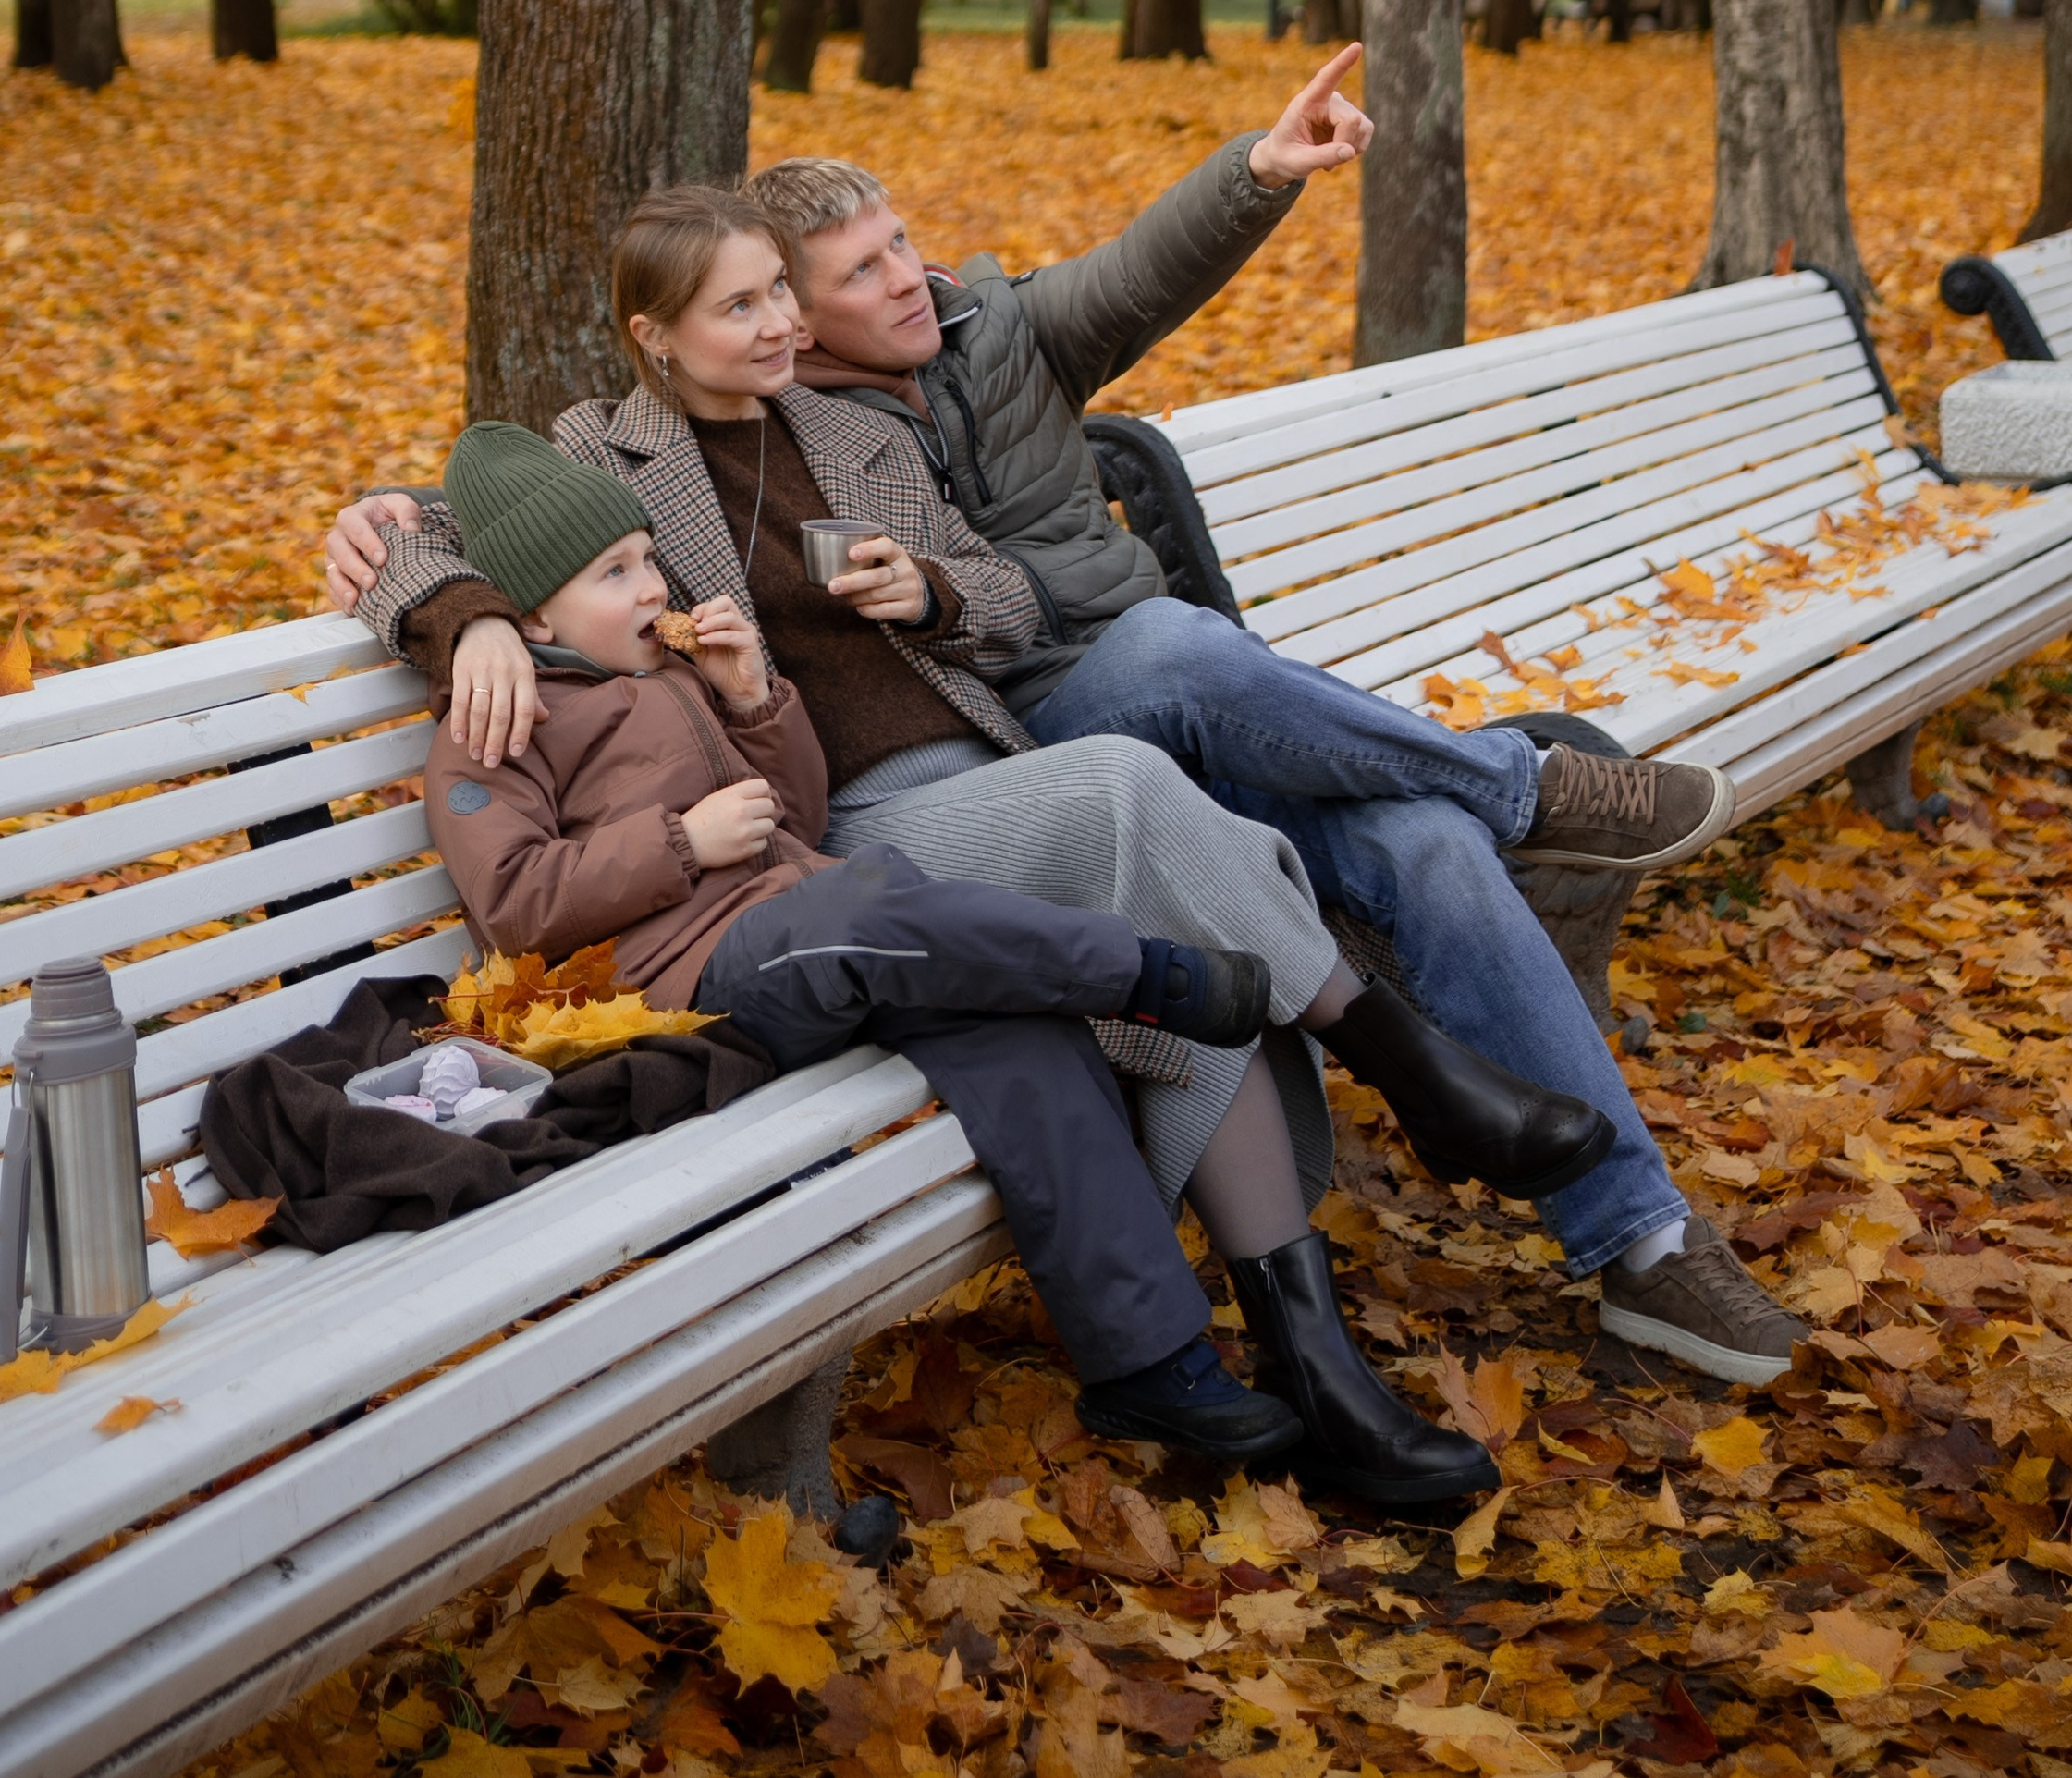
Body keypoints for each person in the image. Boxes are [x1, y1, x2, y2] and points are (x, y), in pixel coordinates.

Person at [328, 98, 1804, 1392]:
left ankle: (1642, 1238)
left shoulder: (861, 436)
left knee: (1414, 840)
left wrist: (936, 588)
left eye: (799, 288)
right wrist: (462, 617)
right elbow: (446, 516)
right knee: (1148, 736)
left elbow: (1004, 577)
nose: (798, 318)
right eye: (771, 297)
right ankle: (1431, 1009)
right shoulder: (604, 453)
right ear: (659, 334)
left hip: (1030, 745)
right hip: (853, 817)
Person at [423, 414, 1312, 1471]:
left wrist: (754, 704)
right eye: (616, 572)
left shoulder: (671, 677)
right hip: (680, 983)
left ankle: (1152, 1367)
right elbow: (514, 903)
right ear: (530, 614)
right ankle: (1145, 974)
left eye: (648, 557)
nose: (653, 585)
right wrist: (677, 842)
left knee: (1019, 1031)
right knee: (871, 911)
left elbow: (793, 820)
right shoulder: (497, 721)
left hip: (803, 928)